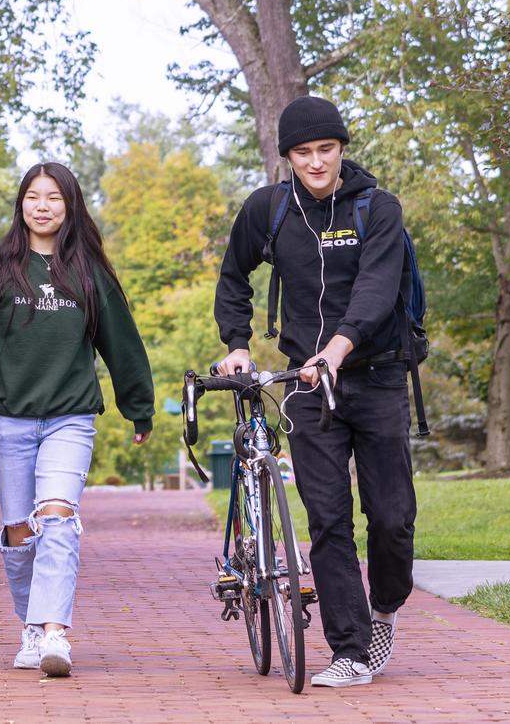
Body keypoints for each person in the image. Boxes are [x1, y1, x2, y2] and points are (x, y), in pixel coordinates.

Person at [213, 96, 417, 688]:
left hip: (375, 377)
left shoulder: (378, 208)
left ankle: (384, 609)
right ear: (288, 157)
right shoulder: (269, 211)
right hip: (306, 385)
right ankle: (349, 650)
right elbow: (233, 276)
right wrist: (238, 344)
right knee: (328, 520)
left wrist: (339, 347)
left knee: (393, 518)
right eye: (303, 153)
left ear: (342, 149)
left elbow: (378, 289)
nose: (316, 162)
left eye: (326, 149)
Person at [0, 162, 153, 678]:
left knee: (57, 518)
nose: (43, 206)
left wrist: (138, 405)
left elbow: (121, 343)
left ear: (71, 206)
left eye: (55, 198)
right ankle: (31, 628)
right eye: (34, 197)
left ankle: (55, 631)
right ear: (21, 205)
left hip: (70, 417)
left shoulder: (89, 271)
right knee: (20, 533)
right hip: (8, 420)